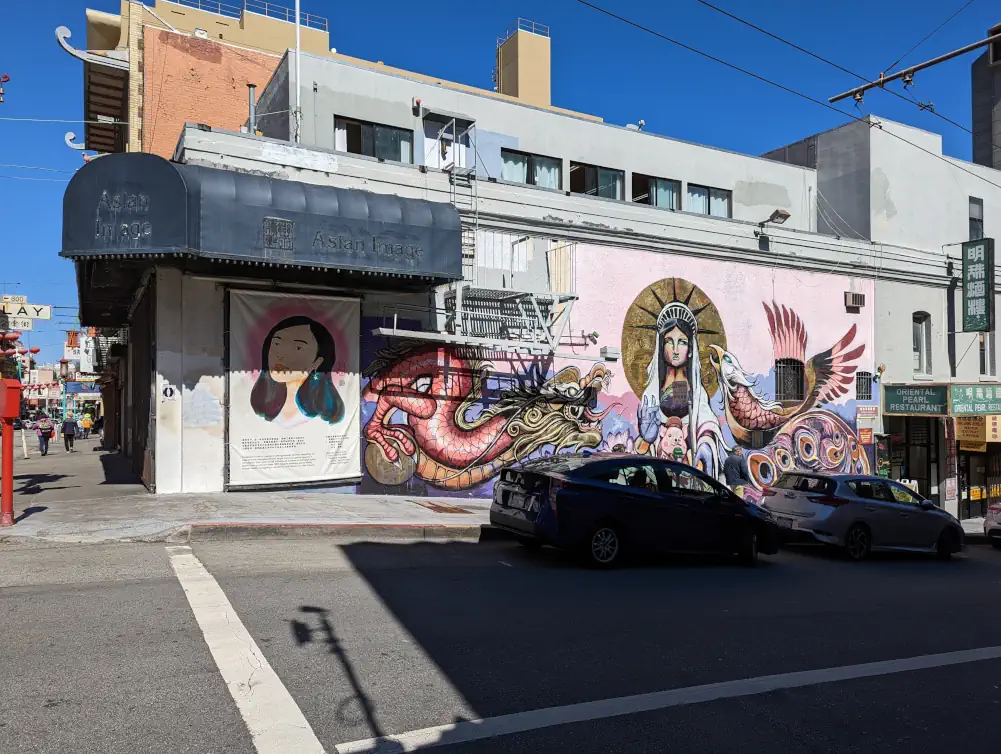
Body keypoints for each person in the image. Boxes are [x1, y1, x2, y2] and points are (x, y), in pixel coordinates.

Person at [250, 315, 344, 427]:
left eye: (298, 348)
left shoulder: (325, 416)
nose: (280, 355)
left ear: (317, 362)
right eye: (277, 344)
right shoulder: (261, 409)